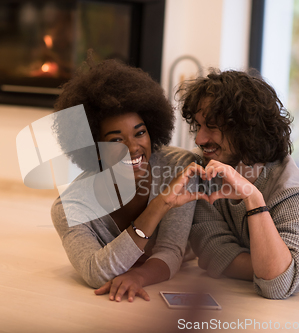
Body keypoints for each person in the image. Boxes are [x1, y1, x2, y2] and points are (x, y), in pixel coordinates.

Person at [51, 59, 208, 303]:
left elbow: (171, 251)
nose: (133, 148)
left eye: (140, 132)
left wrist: (139, 276)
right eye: (116, 140)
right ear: (94, 147)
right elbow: (95, 272)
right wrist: (160, 204)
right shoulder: (70, 207)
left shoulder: (180, 168)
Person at [179, 69, 299, 299]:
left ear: (246, 129)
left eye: (212, 127)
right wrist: (297, 275)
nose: (199, 139)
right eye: (199, 126)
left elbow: (276, 286)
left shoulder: (294, 192)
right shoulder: (204, 172)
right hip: (236, 299)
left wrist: (251, 196)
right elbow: (213, 255)